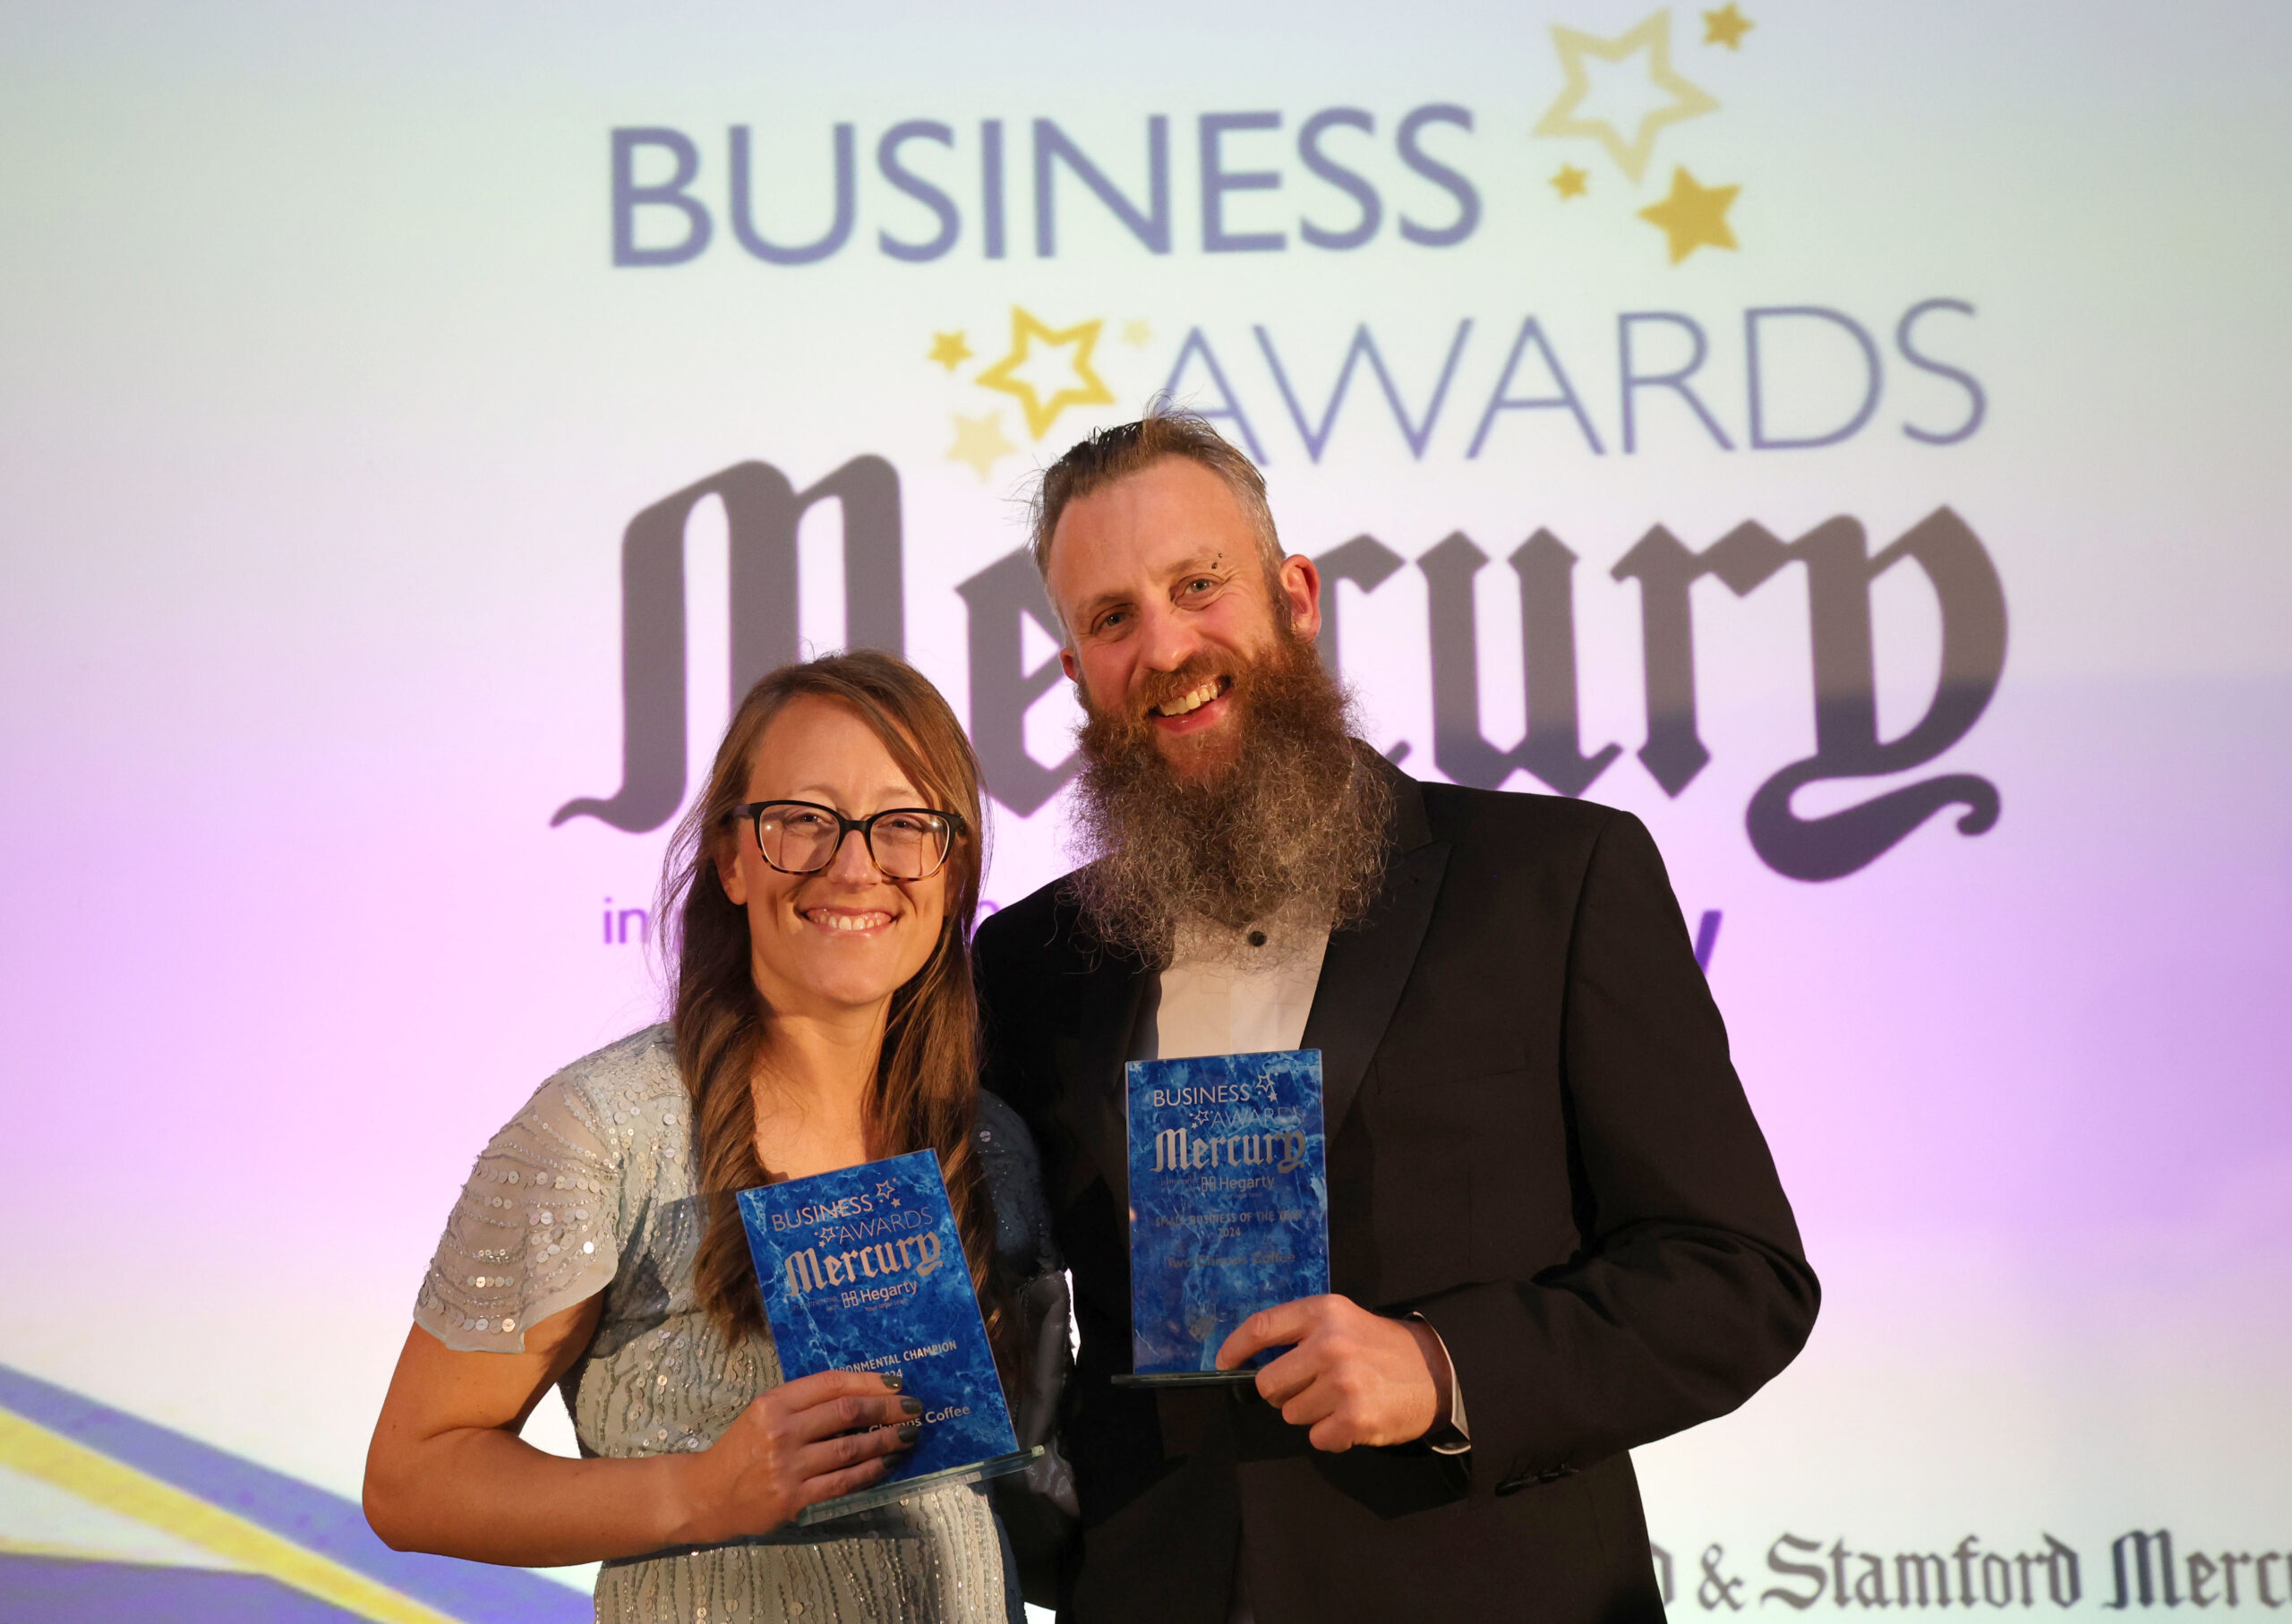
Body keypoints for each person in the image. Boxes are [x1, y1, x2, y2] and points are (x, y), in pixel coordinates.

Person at [972, 414, 1821, 1623]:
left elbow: (1738, 1280)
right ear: (1075, 675)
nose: (1164, 644)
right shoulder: (1033, 962)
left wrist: (1444, 1366)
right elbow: (1020, 1314)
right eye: (1111, 618)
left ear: (1294, 595)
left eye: (1197, 585)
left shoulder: (1549, 878)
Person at [365, 651, 1070, 1623]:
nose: (855, 864)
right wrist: (698, 1490)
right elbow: (410, 1477)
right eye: (802, 822)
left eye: (903, 825)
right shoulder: (603, 1133)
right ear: (733, 860)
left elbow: (1029, 1489)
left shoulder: (990, 1145)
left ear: (952, 870)